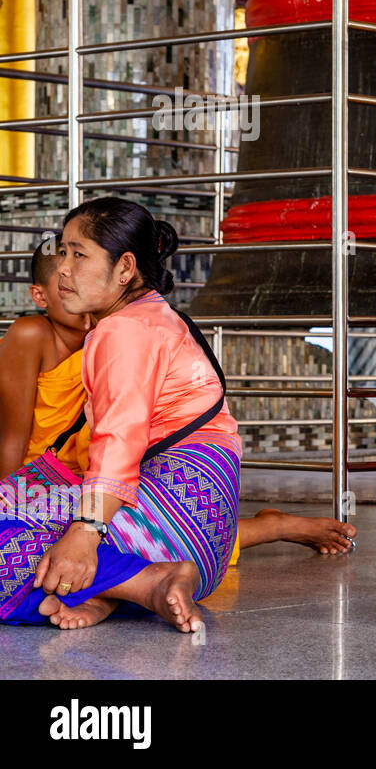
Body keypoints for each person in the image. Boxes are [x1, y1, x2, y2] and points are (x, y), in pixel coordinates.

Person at [0, 239, 356, 561]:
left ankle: (270, 527)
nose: (76, 290)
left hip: (105, 478)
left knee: (138, 534)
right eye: (64, 286)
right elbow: (12, 436)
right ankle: (268, 527)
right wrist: (9, 499)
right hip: (47, 477)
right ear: (40, 296)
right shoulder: (32, 333)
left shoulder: (122, 330)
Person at [1, 198, 239, 631]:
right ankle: (117, 593)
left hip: (175, 519)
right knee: (20, 517)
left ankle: (146, 581)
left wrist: (85, 532)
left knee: (11, 553)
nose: (63, 269)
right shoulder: (146, 317)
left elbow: (120, 439)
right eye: (62, 253)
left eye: (79, 254)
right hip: (203, 529)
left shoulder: (124, 329)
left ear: (125, 268)